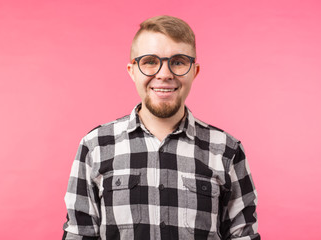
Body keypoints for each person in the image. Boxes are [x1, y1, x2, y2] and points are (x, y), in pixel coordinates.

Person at [62, 15, 260, 240]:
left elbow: (243, 236)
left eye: (178, 62)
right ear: (132, 70)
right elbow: (79, 235)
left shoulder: (227, 150)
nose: (164, 74)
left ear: (193, 72)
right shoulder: (95, 146)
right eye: (149, 61)